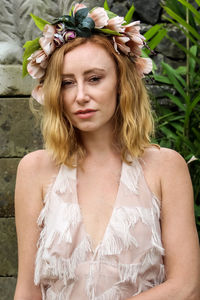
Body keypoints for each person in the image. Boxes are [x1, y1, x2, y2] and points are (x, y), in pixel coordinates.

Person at [14, 2, 200, 300]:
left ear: (121, 84)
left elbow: (187, 287)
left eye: (94, 78)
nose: (81, 96)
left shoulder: (165, 167)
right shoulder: (34, 170)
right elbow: (28, 290)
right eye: (66, 83)